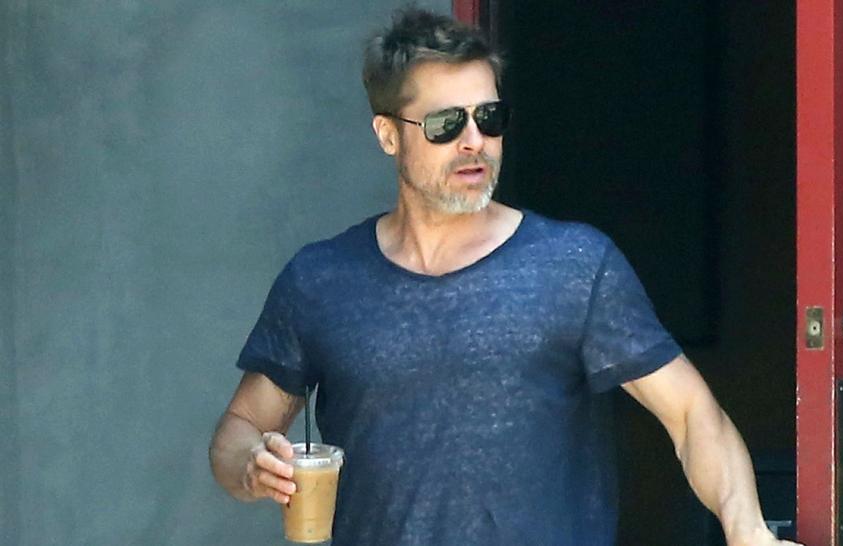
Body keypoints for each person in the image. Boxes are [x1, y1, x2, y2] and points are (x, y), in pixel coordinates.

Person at [209, 8, 803, 546]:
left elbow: (693, 416)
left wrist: (748, 530)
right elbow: (241, 428)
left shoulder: (575, 265)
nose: (474, 142)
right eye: (446, 124)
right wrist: (253, 466)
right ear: (389, 134)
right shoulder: (321, 280)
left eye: (489, 118)